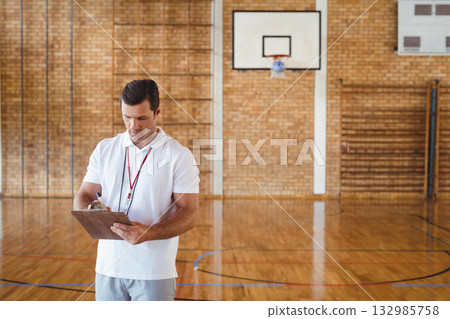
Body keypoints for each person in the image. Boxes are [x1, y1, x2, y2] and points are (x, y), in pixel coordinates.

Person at [73, 79, 200, 301]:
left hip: (153, 273)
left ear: (157, 112)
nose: (133, 126)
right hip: (107, 269)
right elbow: (84, 196)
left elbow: (190, 214)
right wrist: (91, 209)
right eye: (127, 117)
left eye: (141, 118)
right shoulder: (105, 149)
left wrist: (150, 232)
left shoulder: (179, 155)